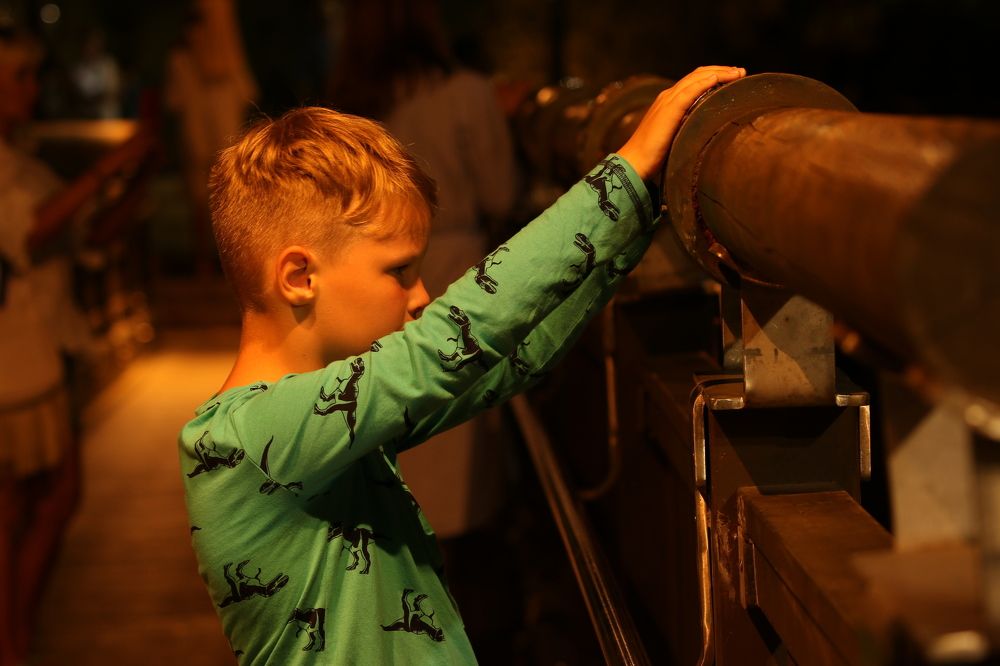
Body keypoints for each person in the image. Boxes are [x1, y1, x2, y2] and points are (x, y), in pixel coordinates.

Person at [179, 65, 745, 663]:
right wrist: (624, 174)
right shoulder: (244, 441)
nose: (420, 295)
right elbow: (446, 343)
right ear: (300, 277)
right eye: (399, 270)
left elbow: (504, 363)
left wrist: (642, 210)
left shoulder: (323, 422)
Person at [328, 0, 518, 543]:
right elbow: (499, 191)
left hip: (362, 278)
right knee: (457, 450)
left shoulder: (345, 109)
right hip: (456, 270)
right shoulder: (466, 94)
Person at [0, 24, 90, 665]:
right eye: (19, 78)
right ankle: (13, 638)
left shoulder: (21, 160)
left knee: (52, 496)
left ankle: (17, 631)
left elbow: (73, 233)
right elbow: (29, 234)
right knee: (15, 509)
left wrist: (127, 181)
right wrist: (113, 164)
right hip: (13, 357)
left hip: (41, 347)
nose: (32, 91)